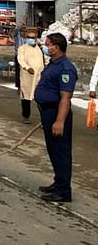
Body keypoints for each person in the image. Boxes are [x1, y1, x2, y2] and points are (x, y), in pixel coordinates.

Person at [34, 32, 78, 203]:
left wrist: (59, 121)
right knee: (53, 150)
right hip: (47, 112)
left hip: (57, 113)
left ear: (56, 47)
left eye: (48, 44)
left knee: (61, 151)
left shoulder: (66, 68)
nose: (45, 47)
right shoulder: (53, 64)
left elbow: (65, 98)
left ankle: (63, 191)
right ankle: (58, 182)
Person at [17, 29, 44, 124]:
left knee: (41, 99)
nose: (30, 39)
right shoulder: (22, 48)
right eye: (29, 37)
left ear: (36, 39)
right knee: (26, 98)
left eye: (32, 38)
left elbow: (44, 61)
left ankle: (44, 120)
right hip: (27, 77)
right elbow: (21, 60)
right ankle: (26, 116)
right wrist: (27, 68)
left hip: (39, 77)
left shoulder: (39, 49)